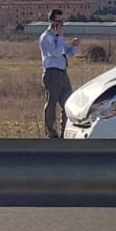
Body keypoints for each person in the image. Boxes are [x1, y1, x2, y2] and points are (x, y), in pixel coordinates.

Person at [39, 9, 80, 139]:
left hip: (63, 73)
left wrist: (74, 46)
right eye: (58, 22)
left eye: (62, 21)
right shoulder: (47, 37)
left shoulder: (58, 37)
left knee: (67, 104)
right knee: (51, 103)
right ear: (51, 22)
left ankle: (65, 133)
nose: (61, 25)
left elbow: (67, 53)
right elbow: (55, 53)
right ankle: (51, 133)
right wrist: (60, 36)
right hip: (52, 73)